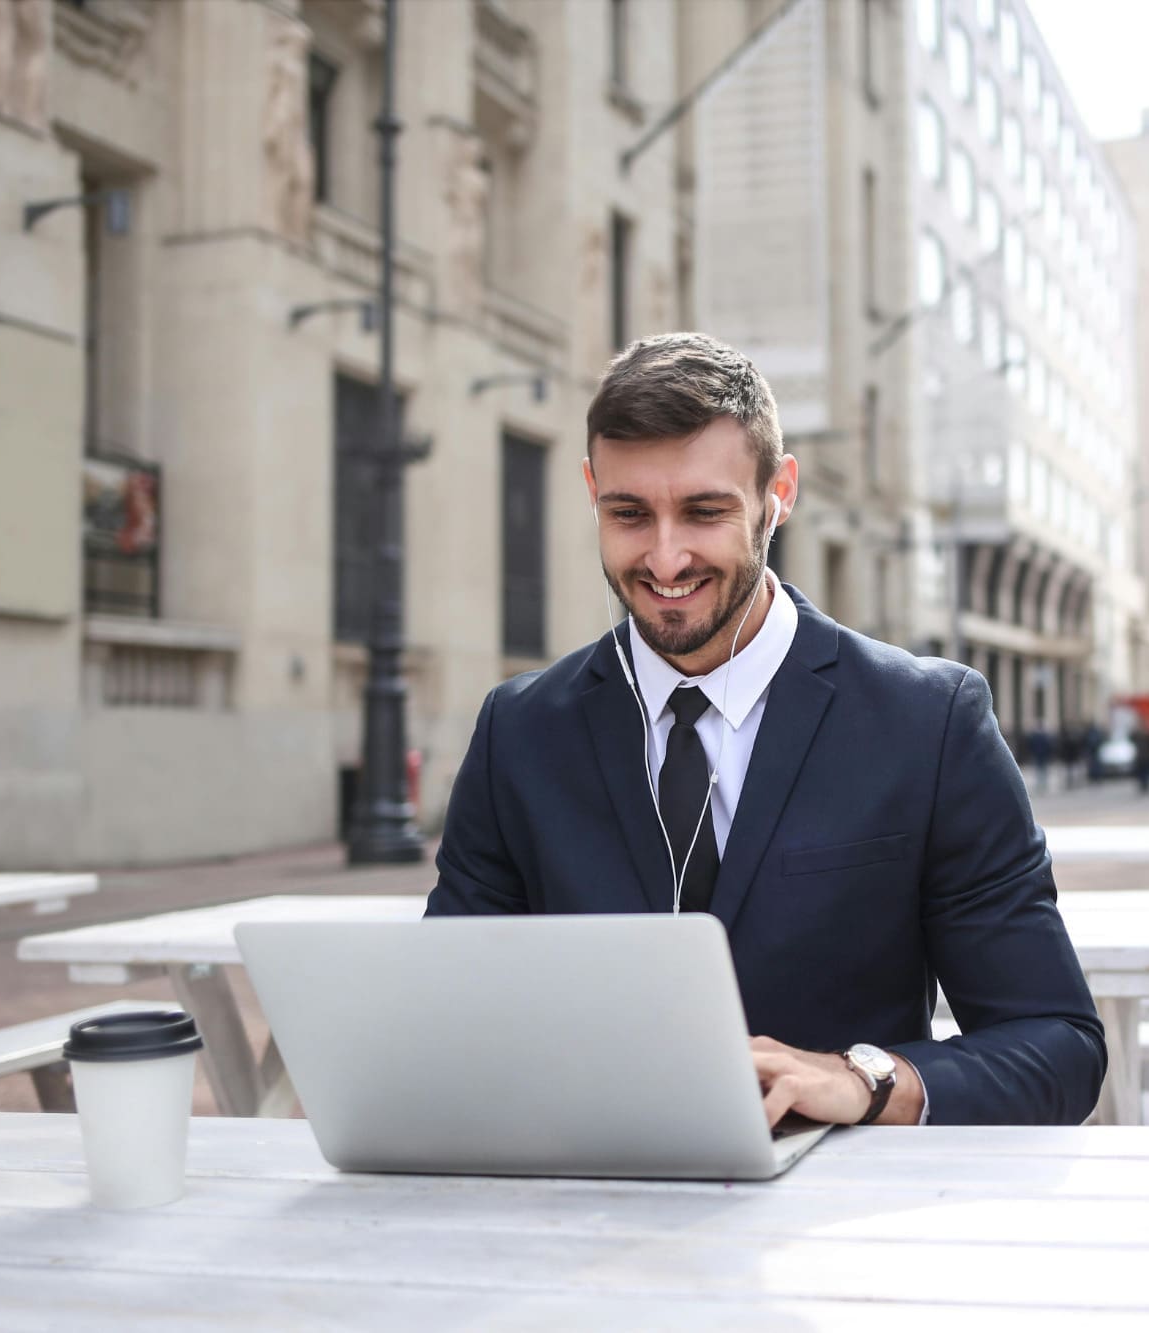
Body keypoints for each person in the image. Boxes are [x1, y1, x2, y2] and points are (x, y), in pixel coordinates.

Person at [426, 333, 1105, 1128]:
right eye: (630, 514)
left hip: (838, 1216)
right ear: (591, 492)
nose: (666, 557)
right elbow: (450, 1014)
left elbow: (1058, 1043)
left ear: (778, 492)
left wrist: (866, 1081)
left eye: (705, 512)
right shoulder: (520, 730)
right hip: (587, 1202)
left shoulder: (929, 723)